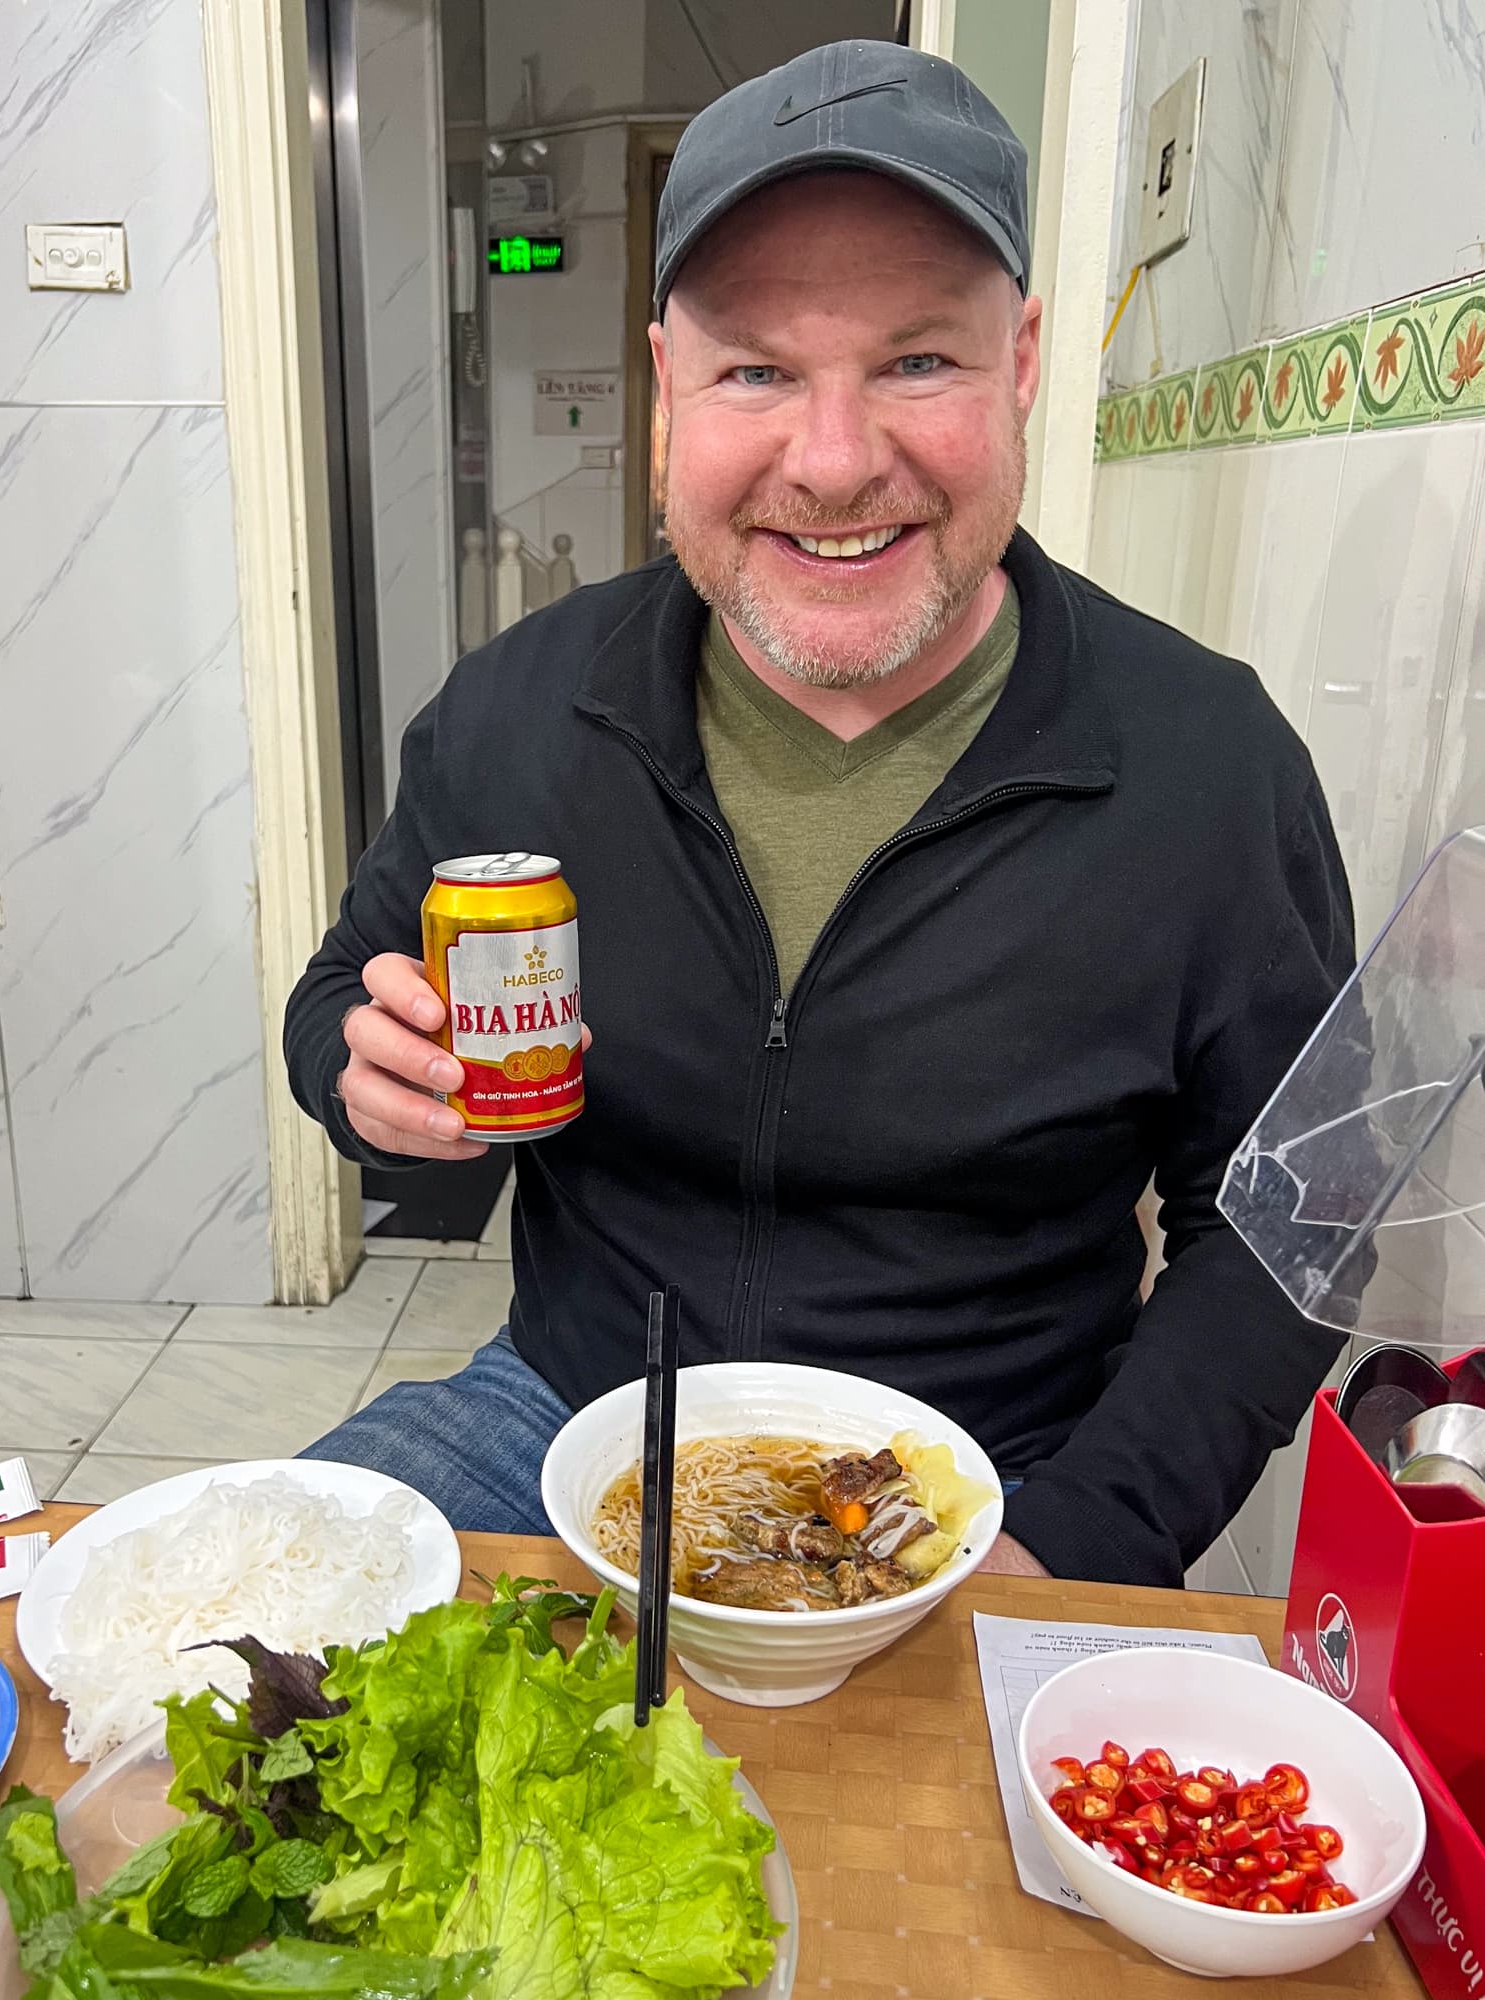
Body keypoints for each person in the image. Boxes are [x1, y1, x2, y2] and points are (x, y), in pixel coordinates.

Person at [284, 39, 1353, 1587]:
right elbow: (343, 991)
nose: (835, 462)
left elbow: (1281, 1233)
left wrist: (1080, 1536)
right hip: (568, 1417)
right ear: (669, 387)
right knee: (238, 1685)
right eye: (758, 371)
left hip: (992, 1470)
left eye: (919, 361)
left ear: (1026, 366)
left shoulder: (1205, 768)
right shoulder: (520, 711)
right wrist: (361, 1070)